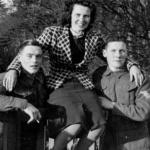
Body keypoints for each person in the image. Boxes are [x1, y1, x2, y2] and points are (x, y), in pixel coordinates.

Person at [2, 0, 143, 150]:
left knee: (99, 124)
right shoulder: (53, 32)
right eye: (78, 15)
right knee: (75, 123)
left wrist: (132, 65)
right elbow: (30, 51)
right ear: (70, 15)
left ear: (91, 18)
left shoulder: (95, 38)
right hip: (59, 85)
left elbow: (113, 52)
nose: (81, 20)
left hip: (83, 85)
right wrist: (13, 69)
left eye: (86, 16)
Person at [0, 40, 65, 150]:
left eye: (38, 56)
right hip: (9, 136)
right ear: (19, 58)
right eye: (29, 56)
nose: (34, 60)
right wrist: (24, 105)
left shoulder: (42, 79)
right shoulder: (7, 77)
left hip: (35, 136)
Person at [93, 34, 150, 150]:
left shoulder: (140, 77)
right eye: (113, 50)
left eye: (122, 51)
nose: (118, 55)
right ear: (104, 53)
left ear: (127, 53)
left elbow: (143, 112)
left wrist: (112, 105)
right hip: (107, 142)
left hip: (136, 142)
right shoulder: (98, 75)